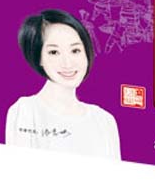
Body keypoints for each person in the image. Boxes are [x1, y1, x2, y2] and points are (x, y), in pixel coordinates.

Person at [6, 9, 121, 159]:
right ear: (38, 58)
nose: (68, 63)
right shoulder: (26, 110)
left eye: (75, 50)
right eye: (54, 52)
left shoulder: (104, 120)